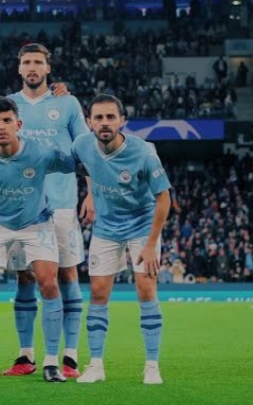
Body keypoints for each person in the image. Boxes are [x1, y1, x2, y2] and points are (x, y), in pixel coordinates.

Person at [0, 97, 77, 383]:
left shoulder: (41, 152)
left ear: (18, 124)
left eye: (7, 120)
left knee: (48, 283)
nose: (1, 126)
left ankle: (51, 363)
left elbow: (77, 164)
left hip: (36, 223)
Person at [6, 43, 93, 378]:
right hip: (21, 209)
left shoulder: (67, 103)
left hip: (61, 205)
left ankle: (69, 356)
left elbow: (86, 150)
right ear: (19, 68)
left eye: (38, 62)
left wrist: (92, 194)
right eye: (26, 62)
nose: (32, 67)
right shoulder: (8, 105)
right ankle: (25, 355)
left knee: (68, 275)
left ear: (48, 68)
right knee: (25, 276)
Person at [71, 94, 171, 385]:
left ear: (122, 121)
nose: (105, 123)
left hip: (142, 225)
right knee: (98, 293)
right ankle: (96, 365)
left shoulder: (144, 153)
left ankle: (151, 365)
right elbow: (81, 166)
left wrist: (151, 244)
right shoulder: (81, 145)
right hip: (106, 226)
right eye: (99, 118)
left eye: (110, 117)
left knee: (146, 289)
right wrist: (90, 194)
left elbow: (164, 199)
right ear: (89, 122)